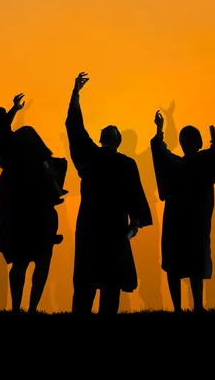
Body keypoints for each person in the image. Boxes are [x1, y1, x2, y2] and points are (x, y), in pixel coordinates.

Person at [66, 72, 152, 314]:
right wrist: (134, 224)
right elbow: (136, 196)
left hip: (90, 225)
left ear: (101, 139)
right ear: (119, 141)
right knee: (110, 284)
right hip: (114, 227)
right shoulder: (126, 164)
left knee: (85, 281)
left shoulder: (90, 158)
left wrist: (75, 95)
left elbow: (75, 129)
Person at [0, 94, 67, 313]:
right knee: (39, 260)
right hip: (32, 204)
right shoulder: (18, 142)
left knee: (22, 262)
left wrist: (14, 109)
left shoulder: (0, 142)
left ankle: (18, 307)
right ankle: (29, 308)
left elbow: (1, 128)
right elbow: (5, 130)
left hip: (21, 206)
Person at [151, 111, 215, 312]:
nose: (186, 143)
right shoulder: (188, 162)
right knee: (180, 263)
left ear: (198, 143)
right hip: (181, 220)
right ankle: (181, 307)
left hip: (193, 220)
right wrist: (159, 129)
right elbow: (160, 150)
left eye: (189, 140)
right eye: (183, 140)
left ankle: (196, 305)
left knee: (194, 262)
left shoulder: (197, 162)